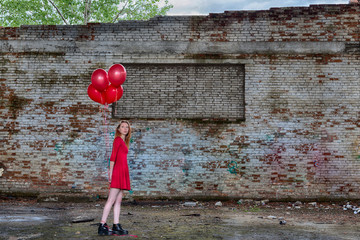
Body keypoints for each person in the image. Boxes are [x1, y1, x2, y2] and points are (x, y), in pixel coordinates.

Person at [98, 120, 132, 236]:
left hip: (123, 172)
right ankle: (102, 225)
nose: (125, 129)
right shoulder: (117, 140)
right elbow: (112, 158)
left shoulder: (124, 141)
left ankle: (116, 225)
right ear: (118, 129)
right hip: (117, 172)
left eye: (126, 127)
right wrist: (111, 175)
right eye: (122, 127)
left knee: (118, 201)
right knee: (111, 200)